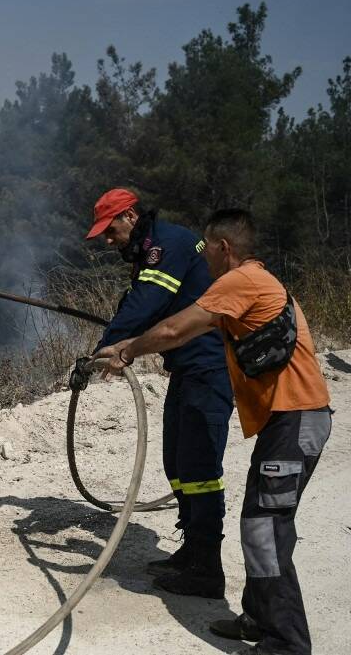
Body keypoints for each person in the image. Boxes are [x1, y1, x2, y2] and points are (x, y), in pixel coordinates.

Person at [96, 208, 332, 655]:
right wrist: (128, 345)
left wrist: (126, 351)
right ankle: (258, 618)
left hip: (297, 418)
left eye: (208, 249)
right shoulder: (253, 282)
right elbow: (184, 333)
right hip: (289, 420)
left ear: (224, 248)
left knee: (265, 528)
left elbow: (173, 328)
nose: (201, 257)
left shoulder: (239, 281)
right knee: (260, 522)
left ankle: (286, 644)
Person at [75, 188, 234, 598]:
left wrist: (103, 351)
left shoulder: (168, 245)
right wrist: (108, 345)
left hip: (209, 367)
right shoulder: (152, 247)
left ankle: (207, 569)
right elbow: (137, 301)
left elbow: (147, 303)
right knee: (177, 464)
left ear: (130, 216)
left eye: (110, 231)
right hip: (187, 368)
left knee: (199, 471)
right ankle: (192, 551)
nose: (108, 241)